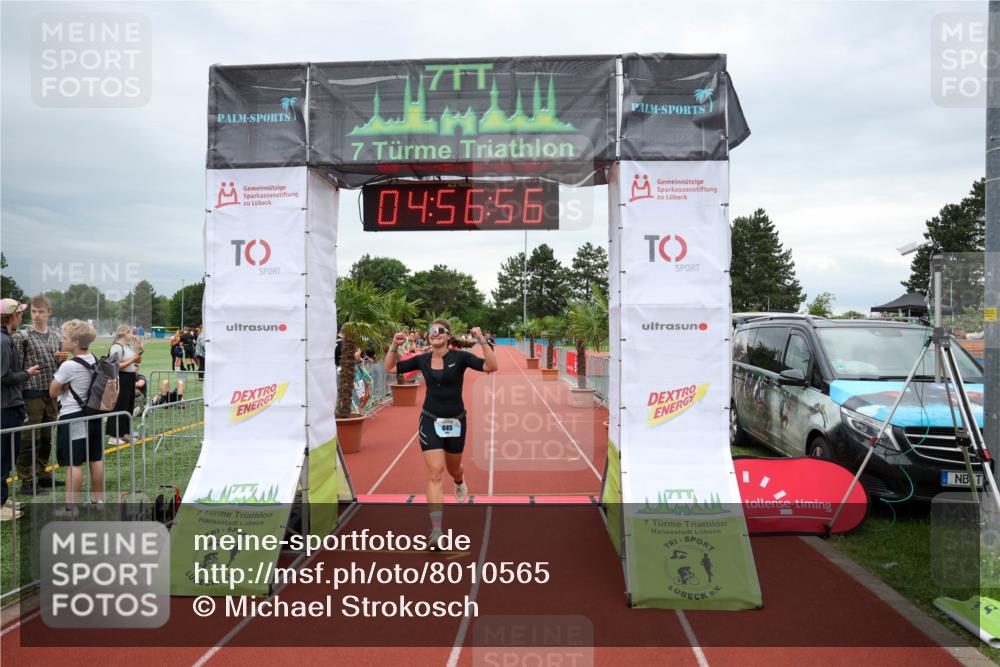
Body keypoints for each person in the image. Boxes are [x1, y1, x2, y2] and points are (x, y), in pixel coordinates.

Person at [384, 319, 497, 549]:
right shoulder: (422, 359)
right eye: (431, 331)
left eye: (440, 331)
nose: (435, 334)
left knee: (454, 468)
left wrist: (482, 340)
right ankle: (436, 530)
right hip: (429, 419)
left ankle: (459, 480)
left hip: (456, 420)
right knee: (435, 472)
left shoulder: (460, 358)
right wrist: (394, 346)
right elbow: (391, 368)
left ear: (447, 335)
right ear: (428, 337)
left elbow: (491, 366)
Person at [12, 295, 65, 494]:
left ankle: (42, 474)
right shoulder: (22, 336)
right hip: (30, 392)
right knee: (29, 438)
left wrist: (60, 361)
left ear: (49, 313)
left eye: (41, 311)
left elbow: (58, 367)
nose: (37, 315)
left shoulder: (56, 336)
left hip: (50, 392)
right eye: (34, 311)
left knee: (46, 437)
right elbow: (15, 366)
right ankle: (27, 480)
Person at [49, 319, 105, 508]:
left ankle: (71, 506)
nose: (62, 340)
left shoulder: (69, 366)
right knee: (95, 458)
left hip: (74, 416)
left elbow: (53, 391)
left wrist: (62, 374)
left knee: (73, 463)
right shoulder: (95, 359)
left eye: (64, 337)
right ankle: (98, 500)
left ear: (75, 343)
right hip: (93, 415)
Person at [1, 299, 40, 520]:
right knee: (3, 457)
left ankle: (2, 499)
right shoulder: (4, 341)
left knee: (6, 457)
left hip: (9, 404)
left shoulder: (6, 339)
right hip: (6, 406)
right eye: (19, 314)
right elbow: (4, 376)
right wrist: (27, 374)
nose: (21, 317)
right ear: (11, 316)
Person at [106, 325, 142, 445]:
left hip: (129, 378)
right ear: (124, 333)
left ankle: (125, 433)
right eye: (131, 333)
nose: (132, 335)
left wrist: (139, 349)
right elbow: (115, 366)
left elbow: (136, 361)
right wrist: (132, 360)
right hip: (121, 378)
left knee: (128, 405)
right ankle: (113, 435)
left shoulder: (126, 347)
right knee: (119, 406)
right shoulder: (116, 347)